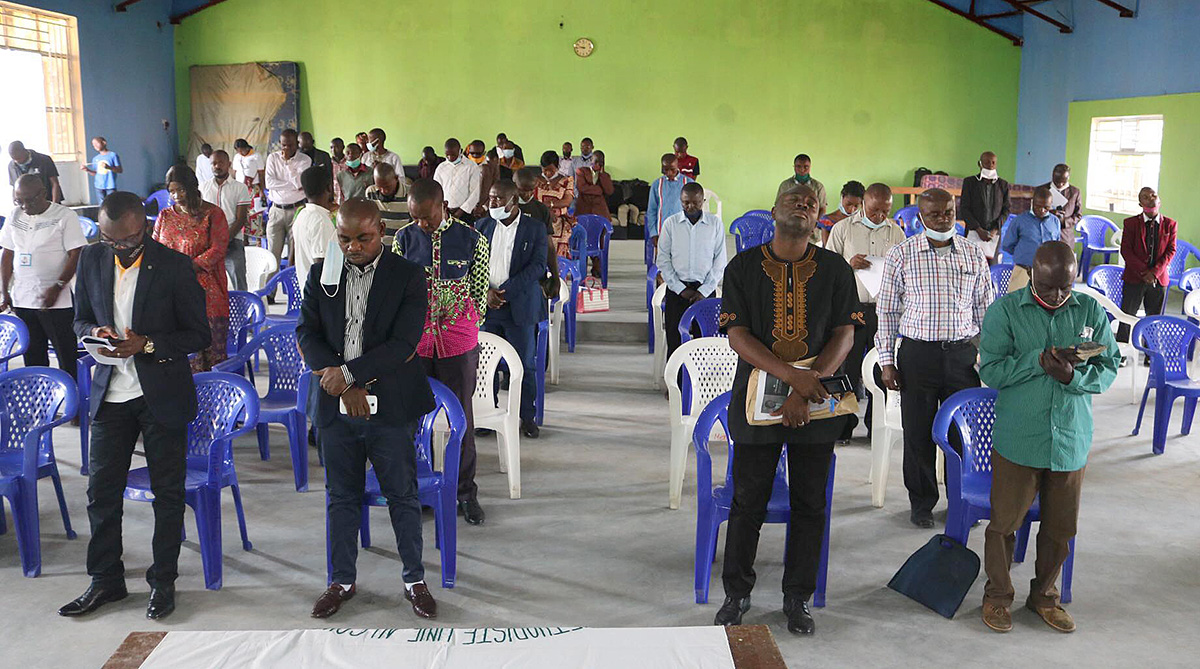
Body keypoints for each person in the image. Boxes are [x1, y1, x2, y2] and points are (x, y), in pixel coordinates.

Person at [713, 183, 857, 635]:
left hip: (815, 402)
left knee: (810, 503)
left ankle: (798, 598)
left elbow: (845, 334)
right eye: (793, 200)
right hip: (758, 401)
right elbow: (737, 336)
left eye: (811, 204)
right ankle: (737, 594)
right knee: (748, 499)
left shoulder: (834, 268)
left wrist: (805, 387)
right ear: (773, 210)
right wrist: (791, 377)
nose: (802, 205)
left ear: (819, 218)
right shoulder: (742, 267)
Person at [59, 191, 210, 621]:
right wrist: (96, 331)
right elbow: (79, 320)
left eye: (124, 241)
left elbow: (197, 334)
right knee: (100, 492)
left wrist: (148, 343)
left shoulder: (174, 266)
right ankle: (105, 580)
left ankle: (163, 582)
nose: (117, 247)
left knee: (167, 494)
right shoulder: (91, 260)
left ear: (142, 227)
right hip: (111, 393)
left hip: (159, 393)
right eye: (108, 240)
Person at [298, 198, 438, 621]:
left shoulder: (407, 276)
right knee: (341, 496)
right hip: (335, 407)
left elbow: (403, 344)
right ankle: (341, 580)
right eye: (344, 238)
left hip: (390, 405)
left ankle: (414, 579)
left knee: (402, 494)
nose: (353, 246)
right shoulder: (323, 272)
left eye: (363, 237)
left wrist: (350, 376)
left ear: (382, 231)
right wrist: (341, 385)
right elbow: (307, 331)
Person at [978, 241, 1119, 634]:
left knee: (1060, 529)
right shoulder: (1005, 311)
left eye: (1064, 286)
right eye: (1047, 286)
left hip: (1071, 438)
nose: (1057, 295)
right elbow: (991, 369)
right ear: (1032, 275)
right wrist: (1037, 363)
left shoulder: (1090, 310)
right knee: (1004, 524)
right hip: (1021, 437)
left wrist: (1074, 378)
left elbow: (1109, 367)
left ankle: (1044, 597)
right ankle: (997, 596)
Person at [875, 188, 994, 528]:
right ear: (920, 218)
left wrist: (990, 359)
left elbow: (986, 313)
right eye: (934, 215)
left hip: (961, 355)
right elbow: (887, 312)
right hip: (917, 355)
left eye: (948, 212)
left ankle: (961, 500)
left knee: (962, 434)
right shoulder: (902, 254)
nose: (943, 219)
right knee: (918, 433)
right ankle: (922, 503)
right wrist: (887, 361)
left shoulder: (973, 255)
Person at [393, 180, 490, 525]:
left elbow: (479, 293)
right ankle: (419, 489)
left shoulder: (472, 239)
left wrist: (465, 323)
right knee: (414, 417)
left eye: (427, 217)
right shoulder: (403, 239)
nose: (421, 224)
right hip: (416, 342)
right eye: (415, 217)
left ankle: (465, 493)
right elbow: (395, 291)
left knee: (459, 418)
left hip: (458, 342)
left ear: (443, 205)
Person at [825, 183, 906, 431]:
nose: (880, 216)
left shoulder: (896, 233)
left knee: (882, 367)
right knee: (846, 366)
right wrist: (847, 264)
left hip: (884, 310)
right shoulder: (843, 229)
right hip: (851, 308)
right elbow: (826, 269)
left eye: (885, 211)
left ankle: (876, 425)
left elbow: (905, 271)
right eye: (874, 211)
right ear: (863, 205)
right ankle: (843, 425)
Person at [477, 180, 548, 440]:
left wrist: (505, 290)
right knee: (486, 366)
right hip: (488, 305)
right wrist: (486, 292)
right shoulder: (482, 226)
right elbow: (472, 264)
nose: (492, 204)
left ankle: (526, 416)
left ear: (513, 201)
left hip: (520, 306)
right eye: (490, 199)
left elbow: (538, 266)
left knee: (523, 365)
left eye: (497, 200)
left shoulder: (534, 228)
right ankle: (487, 413)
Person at [0, 174, 86, 380]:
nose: (24, 206)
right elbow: (7, 253)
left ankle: (72, 403)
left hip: (58, 301)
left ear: (44, 193)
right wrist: (4, 291)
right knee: (33, 355)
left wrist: (57, 286)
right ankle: (41, 403)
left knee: (66, 355)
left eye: (30, 200)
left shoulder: (64, 216)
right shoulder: (15, 215)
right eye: (19, 201)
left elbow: (77, 253)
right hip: (23, 298)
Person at [153, 164, 230, 372]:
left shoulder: (212, 214)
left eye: (180, 190)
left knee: (212, 353)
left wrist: (187, 268)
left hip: (208, 292)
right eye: (171, 191)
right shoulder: (165, 217)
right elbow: (155, 249)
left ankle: (217, 399)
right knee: (182, 354)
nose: (176, 195)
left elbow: (218, 249)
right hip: (173, 294)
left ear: (191, 187)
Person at [658, 182, 726, 361]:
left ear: (702, 201)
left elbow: (719, 262)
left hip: (705, 291)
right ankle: (676, 385)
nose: (690, 207)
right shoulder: (670, 224)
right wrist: (680, 289)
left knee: (704, 339)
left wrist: (703, 291)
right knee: (674, 338)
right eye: (685, 202)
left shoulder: (715, 224)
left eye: (695, 202)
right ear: (681, 201)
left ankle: (699, 385)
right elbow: (663, 260)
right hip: (677, 291)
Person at [1117, 186, 1177, 344]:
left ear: (1159, 201)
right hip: (1134, 278)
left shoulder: (1170, 225)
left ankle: (1150, 351)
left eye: (1153, 195)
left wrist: (1155, 273)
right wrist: (1144, 272)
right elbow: (1126, 250)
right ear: (1140, 203)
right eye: (1145, 196)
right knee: (1127, 316)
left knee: (1154, 318)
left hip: (1158, 280)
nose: (1150, 198)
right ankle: (1121, 350)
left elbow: (1171, 251)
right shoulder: (1130, 223)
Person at [199, 150, 252, 291]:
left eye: (220, 162)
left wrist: (223, 240)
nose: (217, 166)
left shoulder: (240, 188)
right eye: (213, 163)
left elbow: (240, 219)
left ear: (228, 164)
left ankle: (242, 309)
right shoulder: (203, 188)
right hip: (208, 242)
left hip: (233, 240)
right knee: (207, 279)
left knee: (238, 278)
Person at [264, 129, 313, 268]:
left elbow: (299, 183)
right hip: (276, 210)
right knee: (273, 255)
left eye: (290, 145)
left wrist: (287, 164)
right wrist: (292, 185)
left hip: (297, 209)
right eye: (283, 145)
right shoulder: (272, 158)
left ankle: (292, 289)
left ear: (297, 144)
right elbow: (269, 183)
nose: (286, 148)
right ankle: (270, 290)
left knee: (296, 254)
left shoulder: (305, 160)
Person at [1000, 186, 1062, 293]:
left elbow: (1056, 245)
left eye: (1046, 208)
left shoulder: (1055, 222)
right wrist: (1023, 254)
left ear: (1051, 205)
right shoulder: (1019, 221)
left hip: (1047, 274)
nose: (1042, 210)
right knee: (1016, 303)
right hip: (1023, 271)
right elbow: (1007, 245)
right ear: (1032, 202)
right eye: (1038, 206)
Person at [516, 167, 559, 299]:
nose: (527, 195)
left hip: (534, 268)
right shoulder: (506, 208)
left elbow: (549, 246)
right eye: (523, 190)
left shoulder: (541, 210)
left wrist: (555, 276)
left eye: (531, 190)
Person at [960, 151, 1010, 264]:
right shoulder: (970, 182)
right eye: (987, 162)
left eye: (993, 163)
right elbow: (964, 208)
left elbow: (1006, 210)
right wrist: (978, 229)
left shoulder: (1003, 185)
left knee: (991, 267)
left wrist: (995, 229)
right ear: (980, 164)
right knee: (971, 265)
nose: (991, 165)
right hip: (974, 233)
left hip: (994, 236)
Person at [291, 165, 338, 286]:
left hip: (307, 289)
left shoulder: (302, 215)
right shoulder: (321, 221)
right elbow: (321, 266)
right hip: (321, 295)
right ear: (329, 188)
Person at [646, 153, 693, 257]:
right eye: (665, 170)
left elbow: (694, 210)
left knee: (682, 261)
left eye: (672, 169)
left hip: (683, 232)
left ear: (677, 166)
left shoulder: (688, 183)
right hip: (662, 231)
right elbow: (652, 211)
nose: (669, 173)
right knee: (662, 264)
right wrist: (654, 233)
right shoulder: (657, 185)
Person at [535, 151, 576, 258]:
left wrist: (550, 204)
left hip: (559, 219)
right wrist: (546, 210)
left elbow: (567, 201)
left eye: (551, 170)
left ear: (558, 167)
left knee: (559, 230)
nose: (548, 173)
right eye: (545, 170)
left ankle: (558, 268)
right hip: (539, 217)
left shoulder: (566, 181)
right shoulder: (535, 181)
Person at [433, 138, 482, 223]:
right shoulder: (441, 168)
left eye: (453, 154)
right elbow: (436, 190)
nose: (450, 157)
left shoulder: (471, 167)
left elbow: (475, 193)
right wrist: (442, 209)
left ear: (460, 151)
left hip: (465, 214)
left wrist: (461, 211)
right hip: (445, 212)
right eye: (447, 155)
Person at [776, 154, 826, 219]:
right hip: (789, 222)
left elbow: (822, 208)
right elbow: (778, 206)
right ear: (794, 167)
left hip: (811, 223)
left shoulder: (818, 186)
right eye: (798, 166)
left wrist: (815, 223)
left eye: (806, 166)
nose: (802, 169)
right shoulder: (785, 185)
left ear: (810, 167)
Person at [364, 162, 409, 230]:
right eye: (379, 187)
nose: (384, 191)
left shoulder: (409, 194)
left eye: (387, 187)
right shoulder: (371, 193)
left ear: (396, 178)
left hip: (402, 239)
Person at [817, 181, 865, 245]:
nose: (852, 209)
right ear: (842, 197)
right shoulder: (827, 221)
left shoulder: (862, 221)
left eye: (856, 206)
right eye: (848, 204)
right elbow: (828, 248)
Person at [1043, 163, 1081, 243]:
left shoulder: (1075, 192)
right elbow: (1033, 211)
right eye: (1057, 181)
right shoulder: (1042, 189)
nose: (1060, 184)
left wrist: (1064, 221)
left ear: (1068, 178)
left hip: (1065, 237)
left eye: (1063, 182)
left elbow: (1078, 215)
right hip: (1045, 235)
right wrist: (1048, 213)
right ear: (1052, 176)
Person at [575, 151, 615, 219]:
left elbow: (609, 191)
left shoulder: (605, 176)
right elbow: (581, 188)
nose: (597, 164)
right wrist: (599, 190)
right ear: (591, 160)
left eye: (600, 162)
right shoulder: (581, 171)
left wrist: (602, 173)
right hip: (584, 207)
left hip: (600, 209)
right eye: (596, 161)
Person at [82, 137, 122, 202]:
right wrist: (87, 170)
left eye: (96, 143)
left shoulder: (113, 155)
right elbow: (95, 173)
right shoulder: (95, 158)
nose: (95, 146)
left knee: (111, 204)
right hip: (99, 186)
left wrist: (109, 167)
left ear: (104, 143)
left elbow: (120, 170)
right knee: (102, 205)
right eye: (93, 145)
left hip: (110, 185)